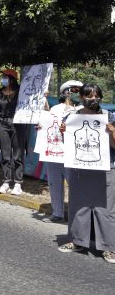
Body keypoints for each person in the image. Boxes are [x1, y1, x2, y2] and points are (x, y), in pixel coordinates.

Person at [58, 83, 115, 264]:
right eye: (89, 96)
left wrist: (113, 132)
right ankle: (77, 241)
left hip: (106, 168)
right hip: (80, 168)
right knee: (78, 205)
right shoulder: (72, 117)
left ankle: (109, 248)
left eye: (97, 95)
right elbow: (68, 143)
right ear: (81, 98)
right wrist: (63, 132)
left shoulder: (110, 116)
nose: (93, 99)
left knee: (106, 209)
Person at [40, 80, 83, 223]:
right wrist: (41, 128)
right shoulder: (55, 109)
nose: (79, 93)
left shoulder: (82, 109)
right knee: (54, 182)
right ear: (67, 92)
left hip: (73, 154)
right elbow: (48, 125)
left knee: (75, 184)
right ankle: (57, 213)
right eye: (76, 90)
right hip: (55, 153)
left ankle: (77, 215)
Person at [0, 69, 28, 196]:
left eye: (5, 76)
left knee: (18, 155)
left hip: (18, 124)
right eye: (2, 76)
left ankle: (18, 183)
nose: (3, 78)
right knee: (5, 155)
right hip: (3, 124)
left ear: (12, 79)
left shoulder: (21, 92)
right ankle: (6, 181)